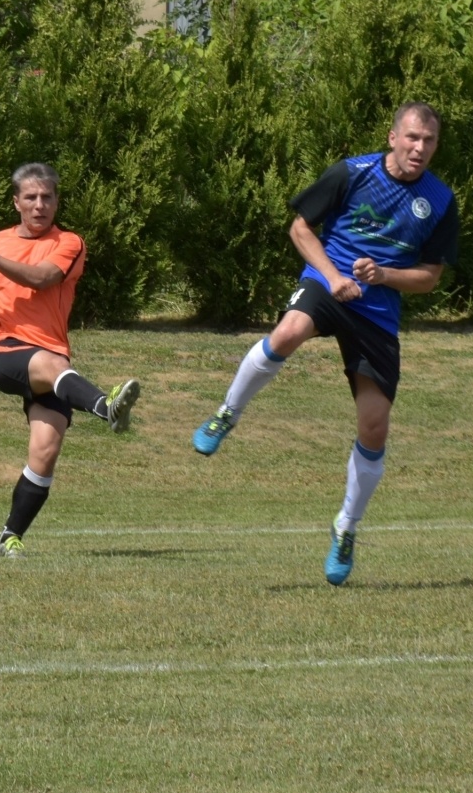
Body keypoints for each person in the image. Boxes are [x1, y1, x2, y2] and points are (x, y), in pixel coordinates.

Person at [192, 103, 459, 586]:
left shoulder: (439, 200)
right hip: (327, 281)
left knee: (375, 427)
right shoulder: (352, 173)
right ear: (393, 136)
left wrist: (384, 275)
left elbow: (429, 278)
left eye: (429, 141)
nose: (420, 148)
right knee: (288, 332)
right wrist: (334, 277)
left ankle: (346, 527)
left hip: (377, 312)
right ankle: (227, 413)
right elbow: (300, 228)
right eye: (412, 137)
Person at [0, 163, 142, 558]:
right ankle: (104, 406)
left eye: (47, 197)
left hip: (53, 364)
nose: (40, 205)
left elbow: (41, 278)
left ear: (56, 201)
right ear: (16, 203)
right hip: (5, 352)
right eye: (31, 197)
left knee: (45, 450)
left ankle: (9, 537)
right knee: (53, 366)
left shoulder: (69, 243)